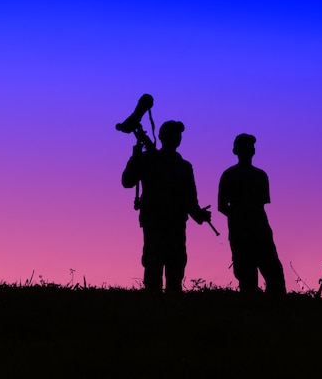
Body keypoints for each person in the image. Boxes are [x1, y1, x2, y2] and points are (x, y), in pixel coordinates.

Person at [122, 120, 211, 293]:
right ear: (162, 137)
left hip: (175, 222)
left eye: (178, 134)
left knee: (175, 269)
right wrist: (136, 157)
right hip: (155, 221)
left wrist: (198, 215)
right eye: (172, 134)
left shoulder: (184, 166)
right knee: (154, 267)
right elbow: (127, 181)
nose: (176, 137)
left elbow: (190, 198)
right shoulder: (148, 159)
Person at [217, 133, 286, 294]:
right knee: (248, 278)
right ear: (236, 150)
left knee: (273, 274)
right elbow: (221, 206)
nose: (248, 150)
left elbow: (260, 204)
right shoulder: (230, 175)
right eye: (244, 146)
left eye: (250, 146)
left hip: (260, 231)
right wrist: (237, 217)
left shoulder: (260, 175)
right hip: (242, 233)